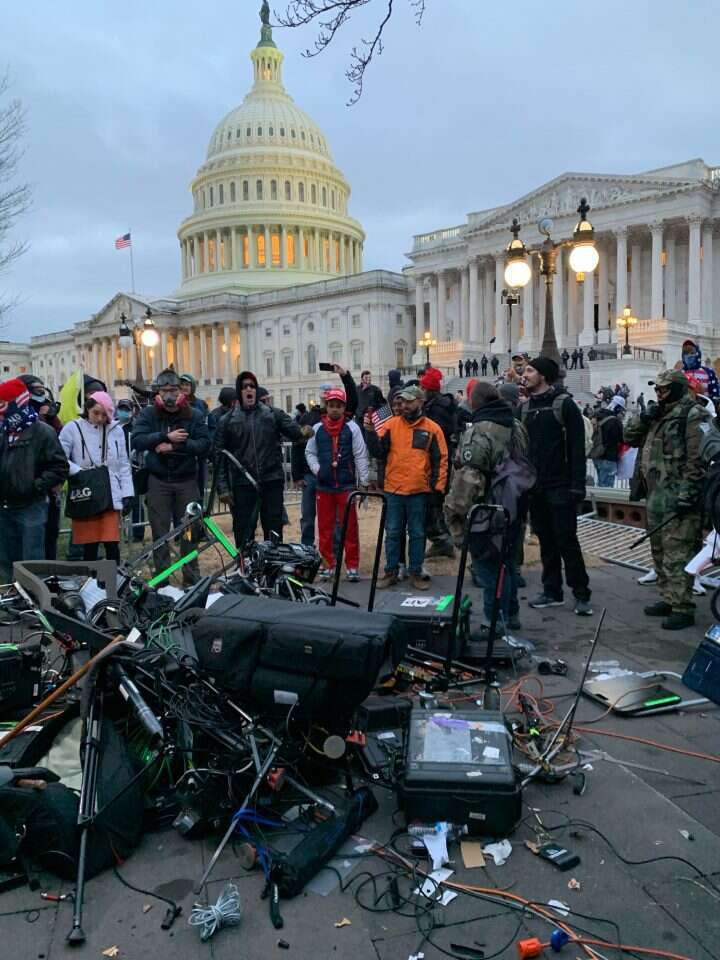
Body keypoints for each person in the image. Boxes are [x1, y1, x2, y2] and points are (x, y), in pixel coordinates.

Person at [624, 370, 711, 630]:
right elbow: (629, 437)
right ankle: (668, 597)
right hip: (656, 494)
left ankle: (682, 607)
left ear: (677, 388)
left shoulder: (693, 414)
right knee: (659, 551)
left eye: (664, 389)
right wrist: (644, 417)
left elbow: (698, 459)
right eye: (657, 389)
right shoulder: (658, 413)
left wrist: (689, 494)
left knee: (677, 553)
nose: (659, 393)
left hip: (678, 496)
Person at [445, 381, 531, 632]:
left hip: (487, 510)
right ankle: (510, 614)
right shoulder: (516, 426)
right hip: (515, 506)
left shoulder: (480, 430)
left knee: (488, 567)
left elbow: (469, 479)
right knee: (509, 564)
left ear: (475, 402)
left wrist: (455, 513)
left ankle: (493, 622)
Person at [521, 357, 592, 615]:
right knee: (546, 542)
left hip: (561, 486)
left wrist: (577, 485)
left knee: (566, 541)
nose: (524, 374)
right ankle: (552, 590)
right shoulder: (526, 407)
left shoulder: (565, 405)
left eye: (530, 370)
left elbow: (576, 448)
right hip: (536, 488)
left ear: (544, 375)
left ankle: (581, 593)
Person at [365, 385, 448, 591]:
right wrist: (369, 433)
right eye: (403, 401)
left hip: (419, 491)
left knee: (418, 533)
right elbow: (378, 451)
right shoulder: (391, 425)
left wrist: (437, 489)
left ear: (420, 401)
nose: (405, 404)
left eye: (409, 400)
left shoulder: (432, 428)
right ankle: (391, 571)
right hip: (394, 490)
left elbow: (441, 460)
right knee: (392, 532)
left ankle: (416, 571)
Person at [132, 369, 210, 584]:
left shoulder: (194, 415)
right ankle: (162, 580)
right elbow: (137, 439)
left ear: (181, 391)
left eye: (173, 389)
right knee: (160, 533)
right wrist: (162, 437)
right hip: (159, 481)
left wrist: (178, 444)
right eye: (165, 390)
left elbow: (204, 445)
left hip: (186, 480)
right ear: (158, 392)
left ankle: (191, 577)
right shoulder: (149, 414)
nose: (169, 395)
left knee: (189, 533)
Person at [215, 370, 309, 547]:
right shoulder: (227, 421)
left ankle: (272, 571)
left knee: (273, 530)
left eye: (252, 386)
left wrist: (305, 431)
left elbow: (296, 433)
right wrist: (223, 487)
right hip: (243, 484)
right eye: (244, 387)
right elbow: (219, 455)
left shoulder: (272, 414)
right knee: (244, 532)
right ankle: (245, 570)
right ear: (239, 391)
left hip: (271, 481)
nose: (249, 389)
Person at [0, 379, 68, 582]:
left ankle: (36, 607)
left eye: (3, 404)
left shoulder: (42, 432)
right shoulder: (3, 431)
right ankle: (13, 607)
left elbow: (60, 467)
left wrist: (35, 485)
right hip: (3, 507)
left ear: (16, 403)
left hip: (31, 506)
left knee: (32, 564)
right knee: (6, 563)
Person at [59, 392, 134, 562]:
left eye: (104, 414)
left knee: (111, 542)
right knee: (89, 544)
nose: (100, 418)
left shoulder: (116, 431)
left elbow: (123, 463)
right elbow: (59, 457)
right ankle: (91, 582)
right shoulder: (72, 428)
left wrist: (127, 493)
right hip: (86, 490)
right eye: (96, 413)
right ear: (87, 409)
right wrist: (77, 471)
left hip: (110, 491)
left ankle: (114, 581)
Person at [305, 387, 369, 581]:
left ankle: (352, 565)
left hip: (346, 486)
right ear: (326, 407)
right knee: (325, 528)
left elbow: (360, 454)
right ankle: (328, 565)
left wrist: (364, 481)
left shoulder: (353, 428)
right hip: (324, 487)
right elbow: (310, 453)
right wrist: (318, 470)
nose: (334, 409)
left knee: (350, 528)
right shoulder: (317, 429)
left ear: (343, 408)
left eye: (338, 406)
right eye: (331, 405)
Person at [291, 366, 358, 547]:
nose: (330, 404)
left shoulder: (342, 417)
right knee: (308, 516)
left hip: (333, 477)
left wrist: (345, 375)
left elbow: (353, 399)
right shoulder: (308, 418)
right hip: (310, 475)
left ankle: (333, 552)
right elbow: (298, 447)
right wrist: (297, 476)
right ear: (322, 400)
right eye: (326, 398)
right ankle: (307, 549)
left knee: (335, 519)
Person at [19, 375, 64, 559]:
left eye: (42, 390)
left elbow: (60, 445)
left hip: (48, 485)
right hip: (26, 487)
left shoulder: (49, 421)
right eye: (36, 390)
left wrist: (51, 418)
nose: (41, 394)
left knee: (50, 534)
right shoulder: (18, 423)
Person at [420, 367, 458, 559]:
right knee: (436, 504)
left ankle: (442, 540)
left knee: (433, 505)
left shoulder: (436, 410)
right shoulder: (442, 405)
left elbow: (433, 438)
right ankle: (443, 539)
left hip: (437, 463)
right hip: (441, 461)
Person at [590, 404, 623, 488]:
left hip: (597, 456)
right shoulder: (615, 422)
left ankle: (597, 499)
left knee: (601, 483)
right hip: (609, 457)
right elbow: (621, 439)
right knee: (607, 487)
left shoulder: (598, 419)